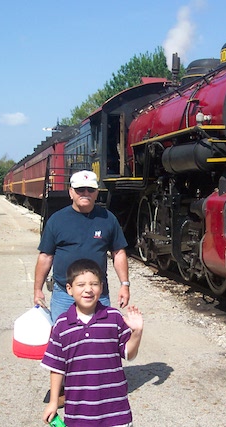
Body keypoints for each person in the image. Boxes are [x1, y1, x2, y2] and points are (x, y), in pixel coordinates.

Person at [41, 259, 143, 427]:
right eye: (80, 285)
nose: (88, 289)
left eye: (94, 284)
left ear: (101, 288)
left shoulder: (114, 318)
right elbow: (56, 366)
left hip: (116, 412)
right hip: (78, 414)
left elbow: (129, 354)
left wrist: (137, 333)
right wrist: (53, 402)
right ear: (69, 289)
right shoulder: (62, 324)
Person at [33, 170, 130, 322]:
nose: (85, 193)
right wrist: (37, 289)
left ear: (96, 192)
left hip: (98, 294)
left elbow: (118, 253)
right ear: (71, 192)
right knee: (63, 339)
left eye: (90, 189)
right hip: (64, 294)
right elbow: (45, 256)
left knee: (100, 338)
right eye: (80, 190)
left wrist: (124, 284)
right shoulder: (56, 220)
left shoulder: (108, 219)